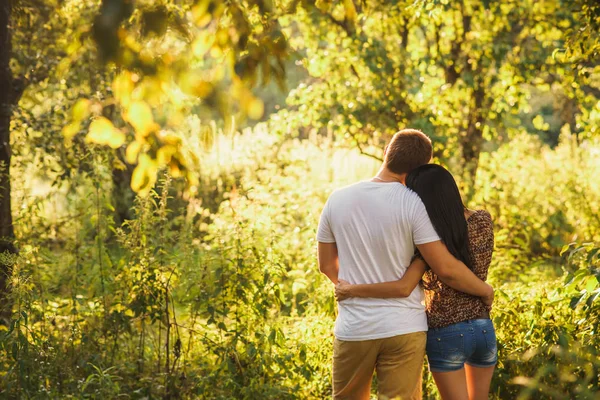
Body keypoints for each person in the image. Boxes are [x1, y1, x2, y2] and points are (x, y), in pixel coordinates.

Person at [317, 129, 493, 400]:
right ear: (422, 167)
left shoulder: (337, 198)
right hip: (404, 327)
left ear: (387, 150)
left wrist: (354, 288)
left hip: (355, 326)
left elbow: (326, 265)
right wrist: (484, 290)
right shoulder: (414, 204)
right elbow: (445, 268)